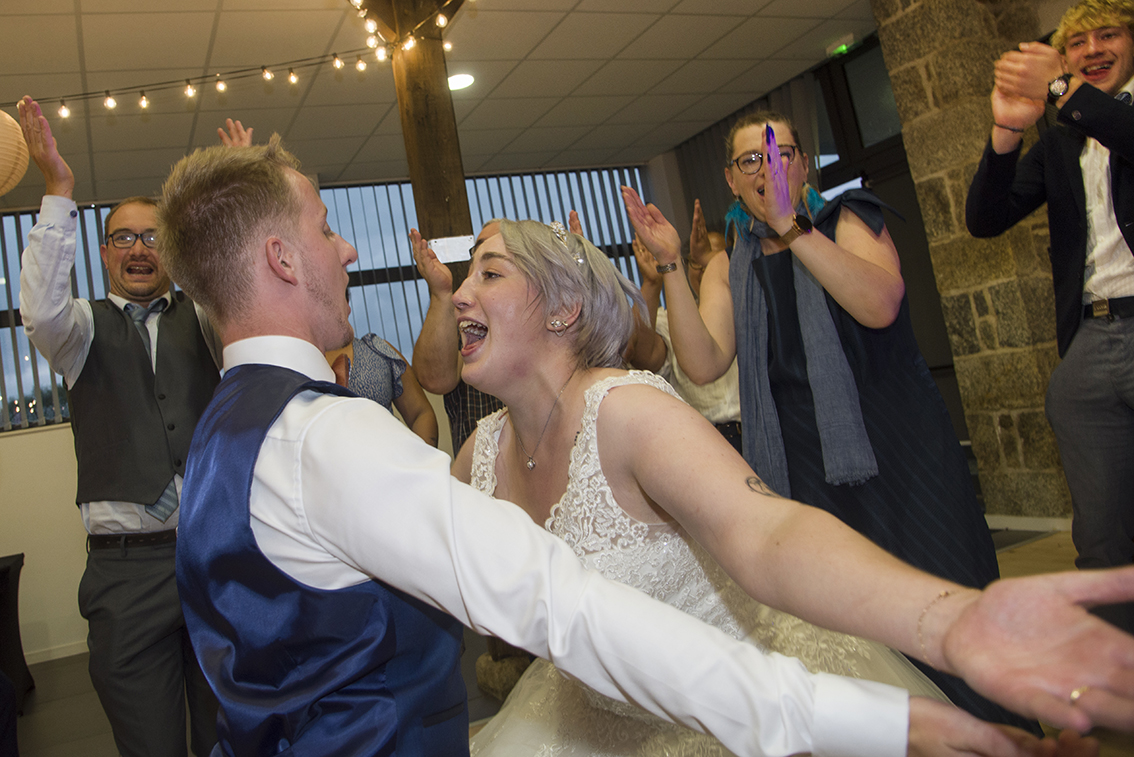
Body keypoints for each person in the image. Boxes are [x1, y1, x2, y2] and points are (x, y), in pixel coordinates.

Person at [157, 137, 1132, 757]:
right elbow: (537, 605)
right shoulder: (448, 451)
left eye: (488, 272)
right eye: (324, 230)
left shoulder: (624, 407)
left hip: (720, 701)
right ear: (279, 258)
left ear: (563, 307)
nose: (456, 292)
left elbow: (766, 534)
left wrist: (948, 622)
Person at [623, 113, 1019, 727]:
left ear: (803, 164)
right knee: (854, 627)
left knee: (942, 597)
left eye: (780, 153)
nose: (767, 168)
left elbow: (879, 303)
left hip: (899, 447)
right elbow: (703, 363)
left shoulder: (849, 217)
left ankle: (998, 734)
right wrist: (673, 264)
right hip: (802, 465)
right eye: (751, 160)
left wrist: (792, 227)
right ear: (731, 179)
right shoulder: (731, 264)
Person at [16, 96, 224, 757]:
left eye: (154, 236)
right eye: (124, 237)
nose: (140, 248)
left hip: (214, 560)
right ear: (105, 253)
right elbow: (38, 309)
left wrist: (233, 194)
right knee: (150, 744)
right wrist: (59, 188)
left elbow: (248, 288)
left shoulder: (208, 319)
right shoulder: (77, 330)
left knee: (233, 738)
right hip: (126, 576)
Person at [965, 0, 1134, 636]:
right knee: (1101, 537)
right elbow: (985, 219)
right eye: (1078, 43)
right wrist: (1007, 132)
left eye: (1108, 35)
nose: (1093, 50)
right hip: (1089, 340)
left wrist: (1060, 89)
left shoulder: (1105, 115)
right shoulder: (1062, 137)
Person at [627, 199, 742, 452]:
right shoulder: (672, 320)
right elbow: (643, 356)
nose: (704, 272)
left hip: (752, 435)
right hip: (700, 443)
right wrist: (652, 284)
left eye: (711, 262)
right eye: (697, 264)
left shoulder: (746, 312)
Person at [411, 222, 505, 452]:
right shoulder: (463, 312)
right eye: (479, 248)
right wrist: (441, 294)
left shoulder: (543, 312)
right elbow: (434, 380)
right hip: (477, 465)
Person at [326, 333, 439, 446]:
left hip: (393, 453)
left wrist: (422, 454)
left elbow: (421, 413)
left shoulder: (377, 349)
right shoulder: (314, 366)